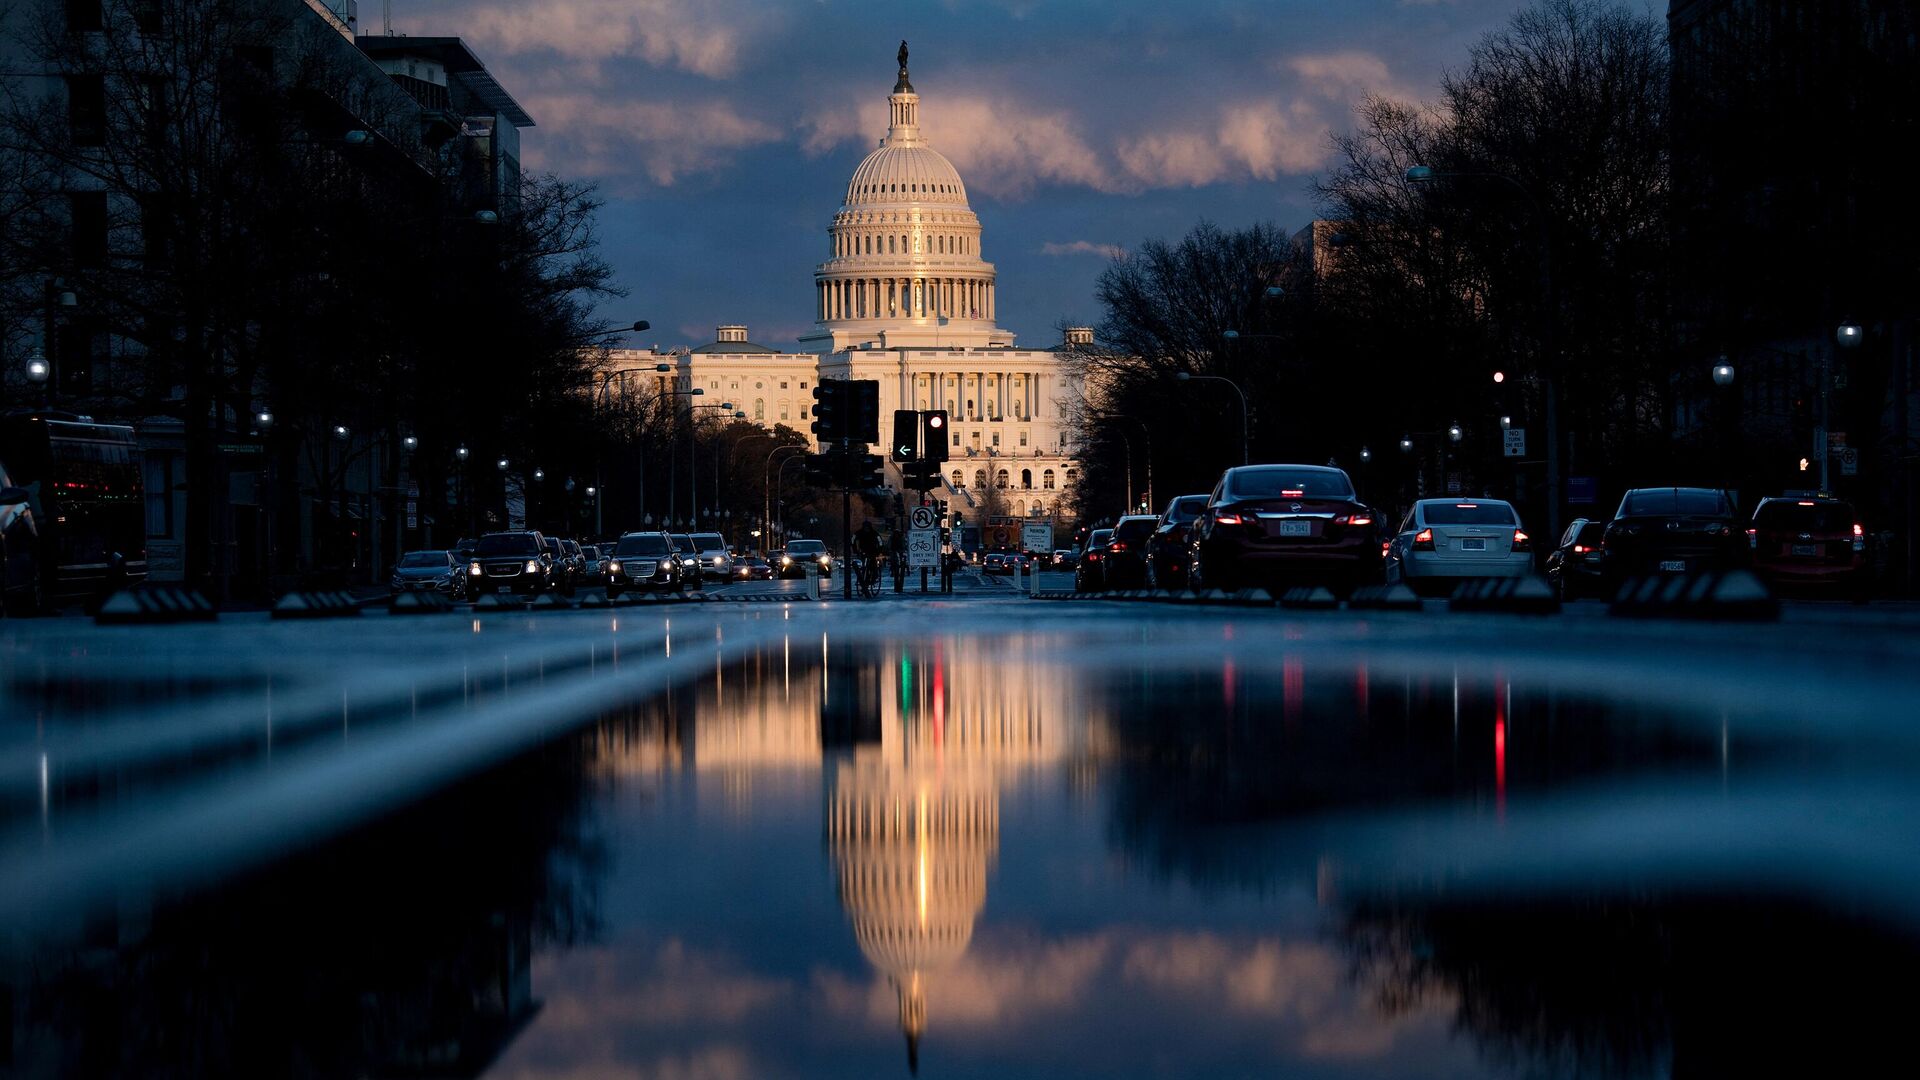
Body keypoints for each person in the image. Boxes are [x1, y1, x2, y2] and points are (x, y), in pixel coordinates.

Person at [855, 521, 882, 594]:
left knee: (873, 566)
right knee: (864, 566)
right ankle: (865, 580)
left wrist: (878, 551)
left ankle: (872, 578)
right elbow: (853, 539)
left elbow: (880, 542)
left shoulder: (874, 533)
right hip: (864, 551)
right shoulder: (861, 533)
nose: (866, 529)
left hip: (872, 552)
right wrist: (855, 550)